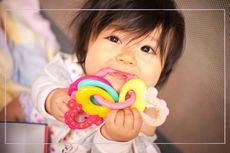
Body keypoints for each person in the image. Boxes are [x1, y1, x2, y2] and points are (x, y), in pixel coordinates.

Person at [32, 0, 185, 152]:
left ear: (163, 68)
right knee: (18, 109)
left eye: (146, 48)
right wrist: (50, 98)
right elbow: (41, 82)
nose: (127, 57)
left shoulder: (145, 115)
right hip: (40, 133)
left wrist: (117, 141)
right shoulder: (72, 69)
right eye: (114, 39)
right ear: (88, 41)